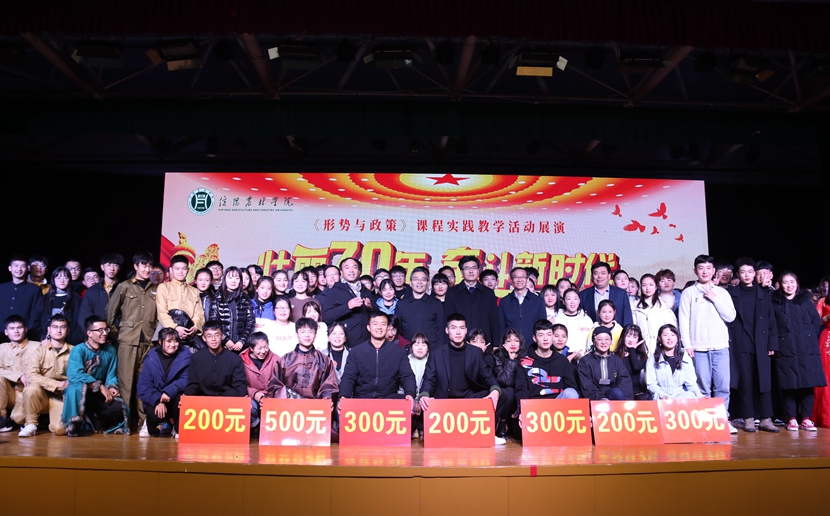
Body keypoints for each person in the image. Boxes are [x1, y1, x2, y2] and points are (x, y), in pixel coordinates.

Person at [419, 313, 507, 444]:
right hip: (445, 400)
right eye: (454, 328)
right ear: (447, 330)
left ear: (466, 330)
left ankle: (489, 433)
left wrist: (495, 390)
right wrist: (424, 395)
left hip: (469, 398)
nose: (458, 332)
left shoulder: (476, 352)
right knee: (425, 401)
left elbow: (487, 375)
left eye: (461, 328)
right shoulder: (437, 353)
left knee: (502, 394)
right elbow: (429, 379)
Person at [678, 254, 737, 433]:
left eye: (708, 268)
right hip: (698, 348)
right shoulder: (689, 292)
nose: (705, 271)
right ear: (695, 271)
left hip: (720, 347)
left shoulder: (722, 293)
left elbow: (731, 316)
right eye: (701, 268)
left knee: (723, 387)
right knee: (702, 388)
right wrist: (687, 344)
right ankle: (705, 421)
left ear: (714, 271)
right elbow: (683, 320)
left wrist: (714, 297)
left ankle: (722, 419)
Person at [106, 252, 159, 427]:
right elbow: (110, 314)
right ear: (136, 266)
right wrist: (118, 335)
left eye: (150, 265)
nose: (147, 269)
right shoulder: (124, 286)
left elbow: (159, 317)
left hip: (149, 342)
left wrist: (155, 338)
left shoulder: (156, 288)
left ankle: (144, 422)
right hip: (127, 342)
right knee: (126, 383)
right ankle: (124, 422)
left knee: (145, 383)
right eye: (144, 265)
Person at [727, 257, 779, 433]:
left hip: (761, 344)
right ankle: (748, 418)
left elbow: (771, 321)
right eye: (743, 272)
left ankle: (766, 418)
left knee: (764, 382)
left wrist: (772, 344)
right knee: (745, 383)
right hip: (740, 345)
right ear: (737, 274)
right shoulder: (731, 294)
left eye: (750, 272)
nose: (747, 275)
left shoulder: (763, 294)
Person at [771, 272, 826, 432]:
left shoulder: (805, 301)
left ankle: (806, 419)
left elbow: (815, 321)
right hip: (785, 348)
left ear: (797, 283)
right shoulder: (775, 303)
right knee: (789, 385)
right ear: (780, 285)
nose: (789, 285)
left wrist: (808, 337)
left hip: (807, 348)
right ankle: (792, 418)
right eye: (785, 282)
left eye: (792, 282)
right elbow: (772, 325)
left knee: (808, 384)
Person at [62, 316, 129, 436]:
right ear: (89, 333)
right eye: (100, 330)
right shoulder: (78, 350)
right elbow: (74, 374)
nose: (104, 333)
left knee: (118, 407)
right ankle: (74, 425)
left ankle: (94, 417)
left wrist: (111, 387)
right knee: (76, 388)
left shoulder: (110, 350)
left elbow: (111, 374)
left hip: (98, 395)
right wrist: (100, 386)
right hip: (80, 393)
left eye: (106, 329)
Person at [338, 311, 416, 407]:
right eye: (375, 324)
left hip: (389, 399)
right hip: (362, 399)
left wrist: (410, 394)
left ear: (387, 328)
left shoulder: (399, 352)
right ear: (368, 327)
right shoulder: (356, 352)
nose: (379, 327)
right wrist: (344, 396)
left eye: (383, 324)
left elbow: (407, 376)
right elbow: (348, 377)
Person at [18, 314, 74, 436]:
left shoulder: (74, 351)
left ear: (68, 330)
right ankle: (30, 424)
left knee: (60, 430)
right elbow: (31, 375)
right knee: (31, 388)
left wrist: (67, 384)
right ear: (49, 329)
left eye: (63, 327)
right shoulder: (39, 350)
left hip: (61, 396)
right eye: (55, 327)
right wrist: (56, 384)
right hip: (41, 394)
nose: (59, 330)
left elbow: (78, 375)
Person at [515, 319, 580, 414]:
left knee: (572, 392)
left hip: (558, 405)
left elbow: (571, 386)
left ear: (553, 337)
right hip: (534, 407)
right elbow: (521, 390)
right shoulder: (524, 362)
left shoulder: (562, 360)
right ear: (534, 338)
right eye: (541, 335)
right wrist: (523, 411)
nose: (545, 339)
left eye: (549, 334)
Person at [136, 327, 191, 437]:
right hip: (157, 398)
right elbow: (144, 385)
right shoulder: (151, 358)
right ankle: (149, 423)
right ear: (160, 342)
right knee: (155, 415)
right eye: (169, 341)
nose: (173, 345)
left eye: (176, 341)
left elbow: (186, 379)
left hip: (174, 397)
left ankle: (177, 427)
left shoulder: (185, 355)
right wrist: (157, 401)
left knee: (183, 399)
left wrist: (169, 391)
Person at [267, 318, 339, 401]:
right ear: (296, 334)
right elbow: (274, 385)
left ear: (315, 334)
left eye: (310, 332)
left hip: (316, 405)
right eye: (303, 332)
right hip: (289, 405)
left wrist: (326, 398)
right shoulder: (285, 360)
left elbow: (329, 386)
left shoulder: (324, 360)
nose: (307, 335)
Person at [443, 256, 501, 346]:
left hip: (484, 343)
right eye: (467, 268)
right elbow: (448, 320)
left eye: (474, 268)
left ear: (478, 270)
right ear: (461, 272)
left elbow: (494, 321)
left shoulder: (488, 293)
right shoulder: (452, 292)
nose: (471, 271)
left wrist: (496, 345)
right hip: (459, 343)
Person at [184, 320, 247, 397]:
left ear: (222, 336)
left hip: (227, 399)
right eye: (209, 336)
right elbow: (193, 383)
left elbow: (240, 384)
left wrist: (242, 397)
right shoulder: (196, 358)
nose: (213, 339)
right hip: (204, 399)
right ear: (204, 338)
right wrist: (186, 397)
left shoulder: (235, 359)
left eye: (217, 335)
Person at [0, 315, 41, 432]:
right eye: (12, 328)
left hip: (27, 393)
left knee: (19, 418)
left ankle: (28, 419)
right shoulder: (2, 348)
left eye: (19, 327)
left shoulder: (37, 346)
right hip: (9, 393)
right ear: (6, 332)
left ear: (25, 329)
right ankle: (2, 418)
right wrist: (19, 376)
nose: (16, 331)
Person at [155, 255, 205, 350]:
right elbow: (162, 312)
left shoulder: (194, 291)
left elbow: (199, 313)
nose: (180, 272)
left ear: (188, 270)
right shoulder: (163, 287)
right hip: (168, 334)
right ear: (171, 270)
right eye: (177, 269)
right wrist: (175, 328)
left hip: (189, 335)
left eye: (183, 269)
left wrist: (195, 327)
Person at [320, 259, 373, 347]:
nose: (351, 270)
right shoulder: (334, 290)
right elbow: (327, 316)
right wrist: (348, 306)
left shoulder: (366, 291)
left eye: (354, 267)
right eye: (347, 267)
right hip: (345, 343)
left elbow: (376, 315)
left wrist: (370, 307)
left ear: (359, 271)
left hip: (365, 341)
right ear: (341, 272)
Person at [646, 324, 702, 400]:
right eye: (665, 335)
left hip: (681, 397)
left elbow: (691, 384)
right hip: (662, 397)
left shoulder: (685, 358)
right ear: (659, 338)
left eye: (673, 335)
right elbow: (651, 384)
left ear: (677, 338)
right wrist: (662, 395)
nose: (669, 338)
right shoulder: (652, 359)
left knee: (690, 396)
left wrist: (700, 396)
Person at [577, 326, 633, 400]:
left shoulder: (616, 360)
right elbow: (586, 385)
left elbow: (624, 381)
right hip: (594, 398)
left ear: (611, 341)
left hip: (613, 396)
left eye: (607, 339)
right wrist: (601, 399)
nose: (603, 342)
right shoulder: (585, 361)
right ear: (593, 341)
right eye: (599, 339)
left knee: (618, 393)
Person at [240, 332, 280, 433]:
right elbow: (240, 384)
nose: (263, 351)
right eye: (259, 348)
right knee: (250, 406)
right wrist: (254, 393)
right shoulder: (241, 360)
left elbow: (280, 382)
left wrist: (269, 396)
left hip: (270, 396)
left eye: (265, 347)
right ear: (251, 348)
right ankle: (255, 426)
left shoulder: (275, 359)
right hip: (252, 397)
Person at [209, 266, 255, 353]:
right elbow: (213, 322)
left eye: (237, 278)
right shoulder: (218, 298)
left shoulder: (245, 298)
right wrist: (225, 339)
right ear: (224, 279)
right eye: (230, 277)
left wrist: (242, 341)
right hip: (221, 345)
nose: (233, 281)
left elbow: (250, 322)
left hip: (241, 346)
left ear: (240, 281)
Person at [397, 267, 445, 350]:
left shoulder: (436, 303)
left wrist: (439, 350)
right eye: (416, 279)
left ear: (427, 282)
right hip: (408, 350)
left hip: (432, 350)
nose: (419, 282)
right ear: (410, 283)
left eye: (423, 279)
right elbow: (398, 330)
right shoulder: (401, 304)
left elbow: (441, 329)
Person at [491, 328, 527, 438]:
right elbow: (506, 381)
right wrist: (511, 360)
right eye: (509, 341)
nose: (513, 344)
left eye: (516, 340)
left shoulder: (526, 356)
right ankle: (502, 422)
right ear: (503, 344)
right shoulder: (497, 356)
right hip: (507, 396)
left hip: (521, 393)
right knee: (510, 391)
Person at [35, 266, 84, 344]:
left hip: (70, 342)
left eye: (65, 277)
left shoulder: (76, 299)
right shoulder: (45, 299)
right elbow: (36, 319)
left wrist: (74, 340)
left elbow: (80, 322)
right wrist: (42, 337)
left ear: (70, 280)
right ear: (53, 280)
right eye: (58, 277)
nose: (62, 280)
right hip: (46, 341)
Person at [499, 266, 546, 347]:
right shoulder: (504, 301)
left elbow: (542, 326)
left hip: (533, 346)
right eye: (516, 277)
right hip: (511, 346)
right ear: (511, 280)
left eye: (522, 277)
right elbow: (501, 326)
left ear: (527, 279)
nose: (519, 280)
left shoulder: (538, 301)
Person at [0, 254, 43, 342]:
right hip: (1, 334)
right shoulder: (2, 288)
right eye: (16, 265)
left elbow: (35, 315)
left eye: (22, 266)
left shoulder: (35, 290)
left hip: (24, 336)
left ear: (27, 269)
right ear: (10, 268)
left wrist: (28, 332)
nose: (19, 269)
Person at [632, 273, 678, 355]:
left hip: (660, 349)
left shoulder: (664, 307)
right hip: (641, 350)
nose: (647, 288)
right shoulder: (635, 308)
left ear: (656, 287)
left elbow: (672, 331)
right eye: (644, 285)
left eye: (651, 285)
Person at [578, 262, 633, 326]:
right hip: (592, 331)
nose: (600, 276)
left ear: (609, 276)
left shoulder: (621, 294)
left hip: (617, 332)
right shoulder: (583, 295)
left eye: (603, 273)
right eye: (596, 273)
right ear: (591, 276)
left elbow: (627, 318)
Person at [78, 253, 124, 323]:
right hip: (97, 329)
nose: (112, 268)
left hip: (119, 329)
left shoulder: (125, 288)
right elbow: (84, 316)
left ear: (119, 268)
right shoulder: (92, 291)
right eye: (108, 265)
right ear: (102, 267)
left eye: (115, 265)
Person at [555, 288, 594, 359]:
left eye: (575, 299)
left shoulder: (587, 320)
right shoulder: (556, 320)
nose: (572, 302)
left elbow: (591, 339)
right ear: (563, 301)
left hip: (584, 360)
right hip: (562, 359)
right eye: (569, 299)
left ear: (579, 300)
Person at [615, 324, 650, 400]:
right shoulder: (615, 355)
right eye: (628, 336)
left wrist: (632, 350)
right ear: (623, 337)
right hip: (621, 393)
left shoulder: (641, 355)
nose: (631, 340)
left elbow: (636, 367)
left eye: (634, 337)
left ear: (638, 339)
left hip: (638, 393)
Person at [407, 333, 430, 438]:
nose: (420, 348)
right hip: (409, 399)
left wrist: (421, 399)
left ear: (428, 348)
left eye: (424, 344)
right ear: (411, 347)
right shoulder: (406, 360)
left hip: (425, 400)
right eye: (416, 344)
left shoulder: (432, 361)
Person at [815, 279, 830, 428]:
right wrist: (828, 318)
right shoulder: (823, 301)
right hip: (828, 338)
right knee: (826, 375)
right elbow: (816, 321)